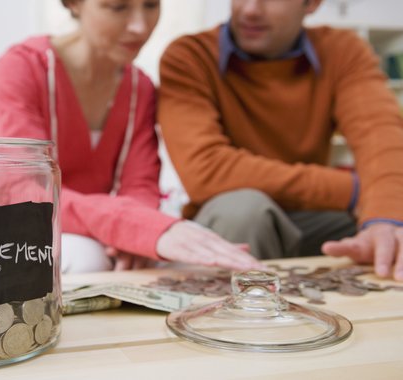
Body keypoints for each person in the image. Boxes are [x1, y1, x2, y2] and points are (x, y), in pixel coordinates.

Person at [0, 0, 263, 273]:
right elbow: (22, 188)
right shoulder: (22, 67)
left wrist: (135, 239)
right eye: (118, 7)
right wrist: (132, 227)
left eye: (151, 5)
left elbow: (140, 184)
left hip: (97, 227)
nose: (140, 26)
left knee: (192, 259)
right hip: (11, 218)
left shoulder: (139, 86)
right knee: (86, 258)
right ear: (74, 4)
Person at [158, 0, 403, 280]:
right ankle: (239, 320)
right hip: (232, 220)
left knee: (390, 223)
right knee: (244, 211)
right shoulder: (190, 56)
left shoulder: (342, 50)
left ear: (311, 4)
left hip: (311, 216)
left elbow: (380, 136)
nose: (250, 9)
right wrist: (353, 190)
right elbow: (206, 170)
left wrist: (385, 216)